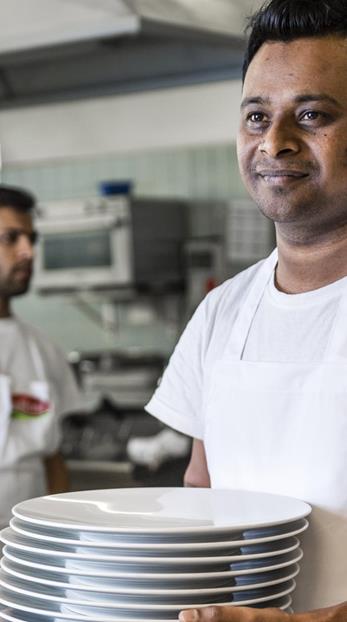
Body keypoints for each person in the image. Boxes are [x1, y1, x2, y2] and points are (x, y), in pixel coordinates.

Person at [145, 0, 347, 620]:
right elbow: (201, 493)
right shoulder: (221, 312)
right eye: (257, 116)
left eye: (311, 115)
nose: (275, 142)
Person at [0, 184, 83, 529]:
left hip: (23, 547)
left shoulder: (43, 349)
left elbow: (53, 460)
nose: (28, 252)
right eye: (11, 238)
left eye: (31, 240)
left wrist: (55, 538)